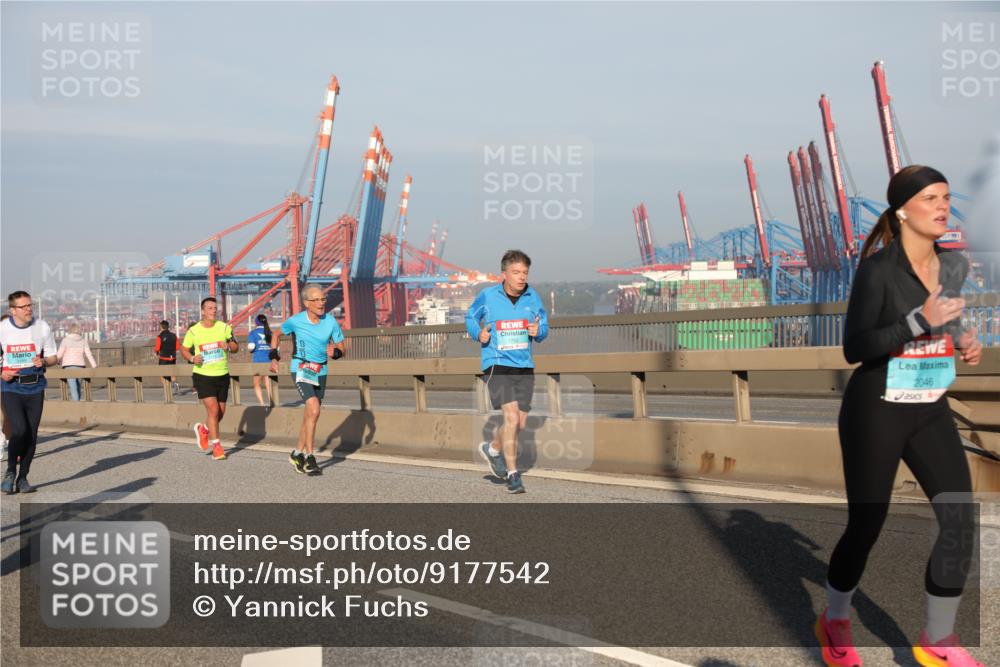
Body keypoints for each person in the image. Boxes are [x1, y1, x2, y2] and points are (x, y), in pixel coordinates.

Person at [816, 166, 985, 667]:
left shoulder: (953, 266)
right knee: (867, 524)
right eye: (930, 197)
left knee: (959, 520)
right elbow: (856, 347)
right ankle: (836, 619)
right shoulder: (878, 270)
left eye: (946, 197)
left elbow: (946, 319)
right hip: (877, 408)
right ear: (901, 211)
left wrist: (963, 339)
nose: (942, 206)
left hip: (929, 407)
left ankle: (938, 639)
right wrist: (919, 322)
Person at [465, 249, 548, 494]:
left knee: (520, 422)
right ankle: (513, 475)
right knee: (511, 417)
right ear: (504, 274)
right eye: (516, 272)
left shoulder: (533, 298)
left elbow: (544, 327)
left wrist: (538, 332)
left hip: (524, 365)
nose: (521, 277)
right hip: (497, 363)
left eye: (525, 272)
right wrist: (477, 333)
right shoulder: (488, 296)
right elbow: (471, 316)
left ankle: (492, 449)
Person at [269, 284, 345, 476]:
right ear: (306, 303)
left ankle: (297, 454)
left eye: (323, 299)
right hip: (301, 368)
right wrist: (274, 356)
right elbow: (277, 334)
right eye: (316, 300)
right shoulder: (296, 321)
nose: (321, 303)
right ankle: (310, 457)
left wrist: (335, 352)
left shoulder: (330, 322)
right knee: (314, 408)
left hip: (321, 370)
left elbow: (343, 348)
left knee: (311, 415)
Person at [0, 291, 58, 494]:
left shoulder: (42, 327)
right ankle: (9, 472)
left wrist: (42, 361)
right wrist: (2, 372)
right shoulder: (2, 328)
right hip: (11, 387)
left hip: (35, 387)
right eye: (23, 307)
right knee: (19, 431)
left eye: (30, 305)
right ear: (12, 310)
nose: (28, 310)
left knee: (31, 435)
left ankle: (23, 477)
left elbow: (53, 358)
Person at [181, 297, 238, 461]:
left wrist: (229, 346)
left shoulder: (224, 327)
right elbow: (184, 350)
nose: (214, 311)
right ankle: (217, 447)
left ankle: (204, 429)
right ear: (203, 311)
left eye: (215, 308)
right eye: (210, 308)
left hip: (222, 373)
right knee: (213, 410)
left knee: (220, 413)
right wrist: (192, 358)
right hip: (203, 375)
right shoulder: (194, 331)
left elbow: (235, 347)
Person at [57, 322, 97, 401]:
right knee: (78, 387)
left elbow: (59, 354)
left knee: (73, 388)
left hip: (69, 367)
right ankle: (78, 406)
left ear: (70, 330)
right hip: (80, 366)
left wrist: (57, 361)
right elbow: (89, 354)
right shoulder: (83, 341)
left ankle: (76, 407)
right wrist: (94, 365)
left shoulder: (65, 340)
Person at [248, 314, 273, 406]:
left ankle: (262, 404)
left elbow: (251, 347)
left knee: (257, 384)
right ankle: (271, 402)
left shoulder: (253, 333)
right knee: (268, 384)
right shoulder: (270, 332)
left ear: (256, 323)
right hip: (269, 361)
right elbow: (276, 347)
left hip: (258, 361)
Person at [155, 320, 181, 396]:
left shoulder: (159, 337)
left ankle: (167, 391)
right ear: (168, 326)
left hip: (163, 358)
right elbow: (177, 347)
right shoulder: (174, 335)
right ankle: (175, 384)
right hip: (172, 358)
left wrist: (157, 353)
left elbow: (157, 349)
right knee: (172, 373)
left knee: (162, 375)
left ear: (161, 327)